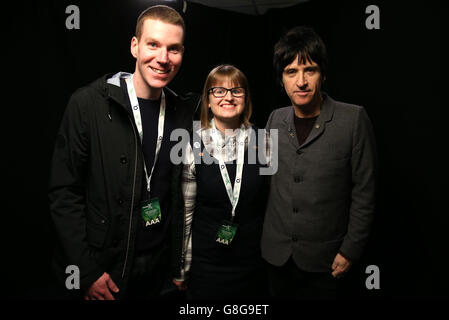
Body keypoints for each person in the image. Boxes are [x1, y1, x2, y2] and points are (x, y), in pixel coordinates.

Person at [48, 5, 200, 300]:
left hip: (158, 270)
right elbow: (64, 192)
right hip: (105, 270)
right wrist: (87, 271)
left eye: (174, 49)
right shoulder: (88, 104)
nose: (163, 59)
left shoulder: (184, 112)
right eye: (153, 45)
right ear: (134, 46)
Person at [261, 26, 378, 299]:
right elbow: (263, 181)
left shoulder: (353, 119)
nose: (301, 81)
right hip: (276, 259)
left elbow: (365, 191)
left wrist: (350, 250)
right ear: (282, 79)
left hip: (326, 263)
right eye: (291, 72)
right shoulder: (274, 119)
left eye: (309, 70)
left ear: (322, 74)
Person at [172, 64, 270, 300]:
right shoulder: (192, 144)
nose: (228, 97)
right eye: (219, 91)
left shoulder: (266, 141)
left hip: (253, 265)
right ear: (207, 100)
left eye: (236, 91)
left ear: (245, 99)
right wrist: (182, 269)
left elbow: (272, 206)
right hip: (207, 266)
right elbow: (186, 214)